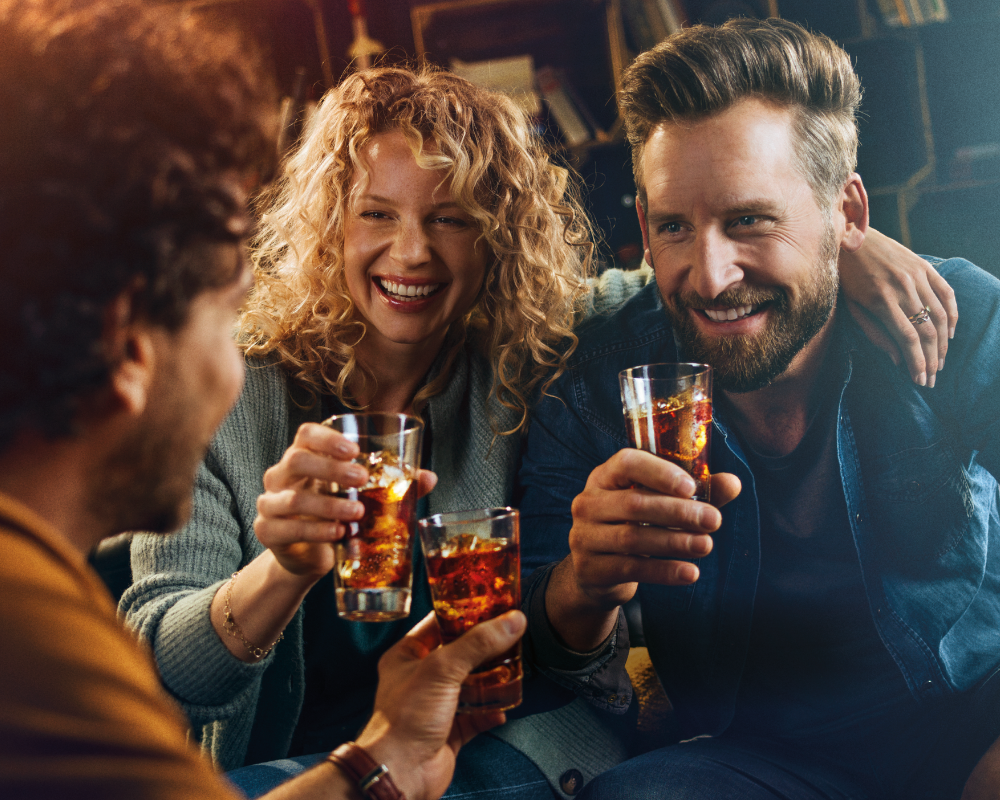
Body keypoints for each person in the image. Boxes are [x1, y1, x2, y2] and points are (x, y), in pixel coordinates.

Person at [121, 53, 961, 800]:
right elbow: (160, 672)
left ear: (499, 239)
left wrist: (850, 243)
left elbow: (689, 283)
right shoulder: (218, 388)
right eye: (376, 213)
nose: (411, 253)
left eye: (449, 219)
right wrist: (282, 570)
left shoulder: (532, 347)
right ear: (325, 224)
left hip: (509, 744)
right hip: (297, 760)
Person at [0, 1, 526, 798]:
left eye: (449, 219)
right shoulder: (36, 642)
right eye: (226, 306)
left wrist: (376, 758)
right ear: (132, 345)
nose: (236, 357)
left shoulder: (38, 594)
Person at [517, 17, 1000, 800]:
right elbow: (538, 635)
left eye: (750, 220)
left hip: (972, 712)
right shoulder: (598, 386)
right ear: (643, 227)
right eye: (676, 226)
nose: (710, 277)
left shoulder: (955, 316)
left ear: (846, 214)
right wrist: (586, 581)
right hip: (763, 757)